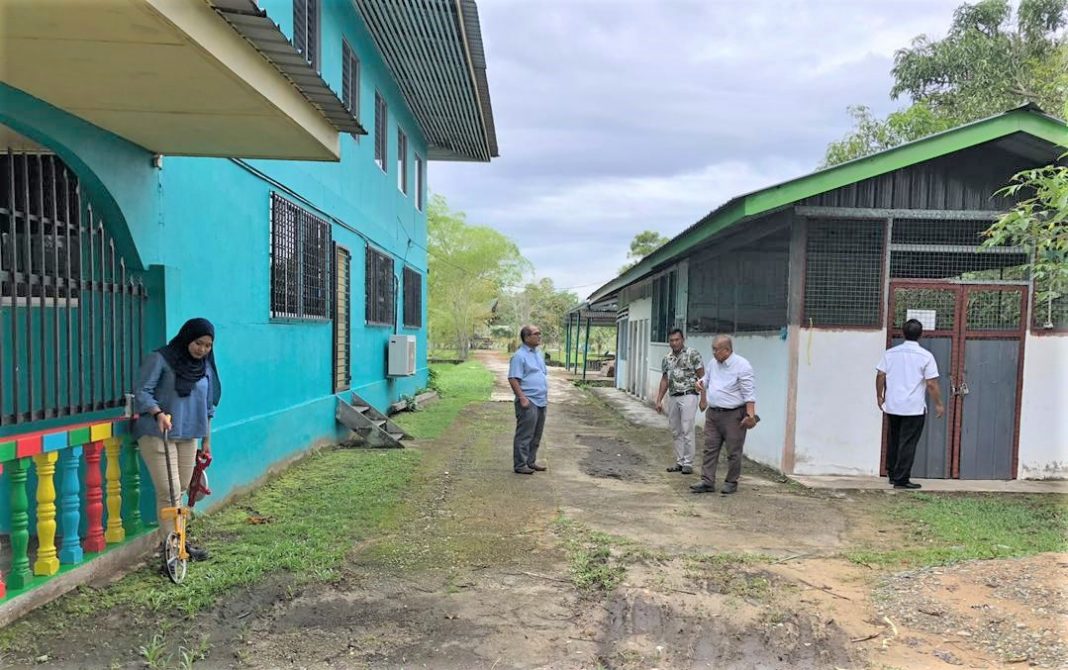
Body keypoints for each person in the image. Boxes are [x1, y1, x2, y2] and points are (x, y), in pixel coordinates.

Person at [133, 317, 222, 561]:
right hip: (158, 433)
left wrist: (206, 441)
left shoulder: (204, 368)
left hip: (189, 434)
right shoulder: (160, 359)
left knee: (181, 488)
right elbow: (142, 391)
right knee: (169, 491)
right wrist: (157, 413)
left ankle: (179, 541)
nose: (202, 350)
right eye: (198, 343)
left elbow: (208, 407)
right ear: (187, 338)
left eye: (208, 345)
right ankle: (171, 550)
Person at [876, 318, 944, 490]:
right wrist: (938, 403)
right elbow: (931, 383)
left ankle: (892, 474)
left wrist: (879, 395)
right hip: (913, 408)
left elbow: (881, 375)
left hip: (893, 405)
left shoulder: (890, 354)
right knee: (908, 443)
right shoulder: (926, 356)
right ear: (921, 335)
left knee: (894, 439)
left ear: (903, 333)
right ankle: (901, 479)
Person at [691, 335, 757, 495]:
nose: (713, 353)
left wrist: (750, 415)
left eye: (716, 350)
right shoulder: (713, 363)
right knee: (710, 448)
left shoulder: (742, 365)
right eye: (712, 349)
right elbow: (707, 379)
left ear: (727, 350)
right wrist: (700, 383)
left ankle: (731, 482)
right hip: (713, 413)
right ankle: (707, 481)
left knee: (733, 451)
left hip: (733, 415)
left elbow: (749, 393)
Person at [655, 328, 705, 475]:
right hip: (673, 396)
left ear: (683, 340)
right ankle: (680, 461)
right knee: (676, 430)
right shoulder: (667, 359)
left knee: (687, 429)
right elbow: (665, 379)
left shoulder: (692, 354)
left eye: (677, 340)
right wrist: (659, 399)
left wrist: (704, 398)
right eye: (671, 340)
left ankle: (688, 463)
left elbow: (703, 377)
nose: (674, 343)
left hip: (689, 394)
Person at [508, 324, 548, 475]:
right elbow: (513, 378)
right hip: (528, 400)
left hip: (541, 400)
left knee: (537, 434)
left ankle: (530, 461)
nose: (539, 336)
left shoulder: (539, 354)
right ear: (526, 337)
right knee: (525, 434)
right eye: (536, 334)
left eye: (539, 333)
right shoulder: (519, 356)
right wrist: (522, 398)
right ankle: (520, 464)